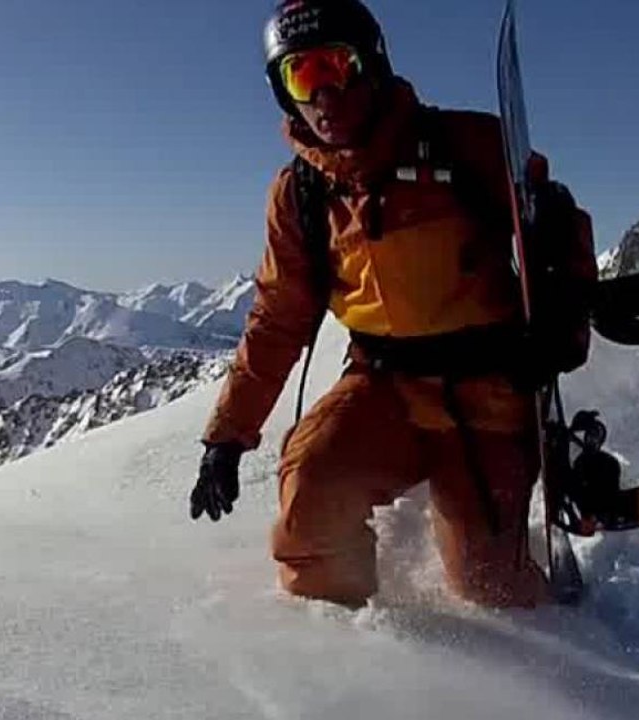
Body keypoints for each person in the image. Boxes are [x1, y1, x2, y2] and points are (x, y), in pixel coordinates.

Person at [189, 0, 597, 609]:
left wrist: (562, 321)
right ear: (282, 91)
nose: (323, 95)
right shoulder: (301, 194)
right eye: (302, 75)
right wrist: (227, 436)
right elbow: (277, 317)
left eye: (335, 66)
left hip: (488, 392)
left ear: (371, 64)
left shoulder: (469, 145)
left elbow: (556, 224)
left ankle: (553, 634)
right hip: (383, 387)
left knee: (486, 583)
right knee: (311, 495)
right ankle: (342, 648)